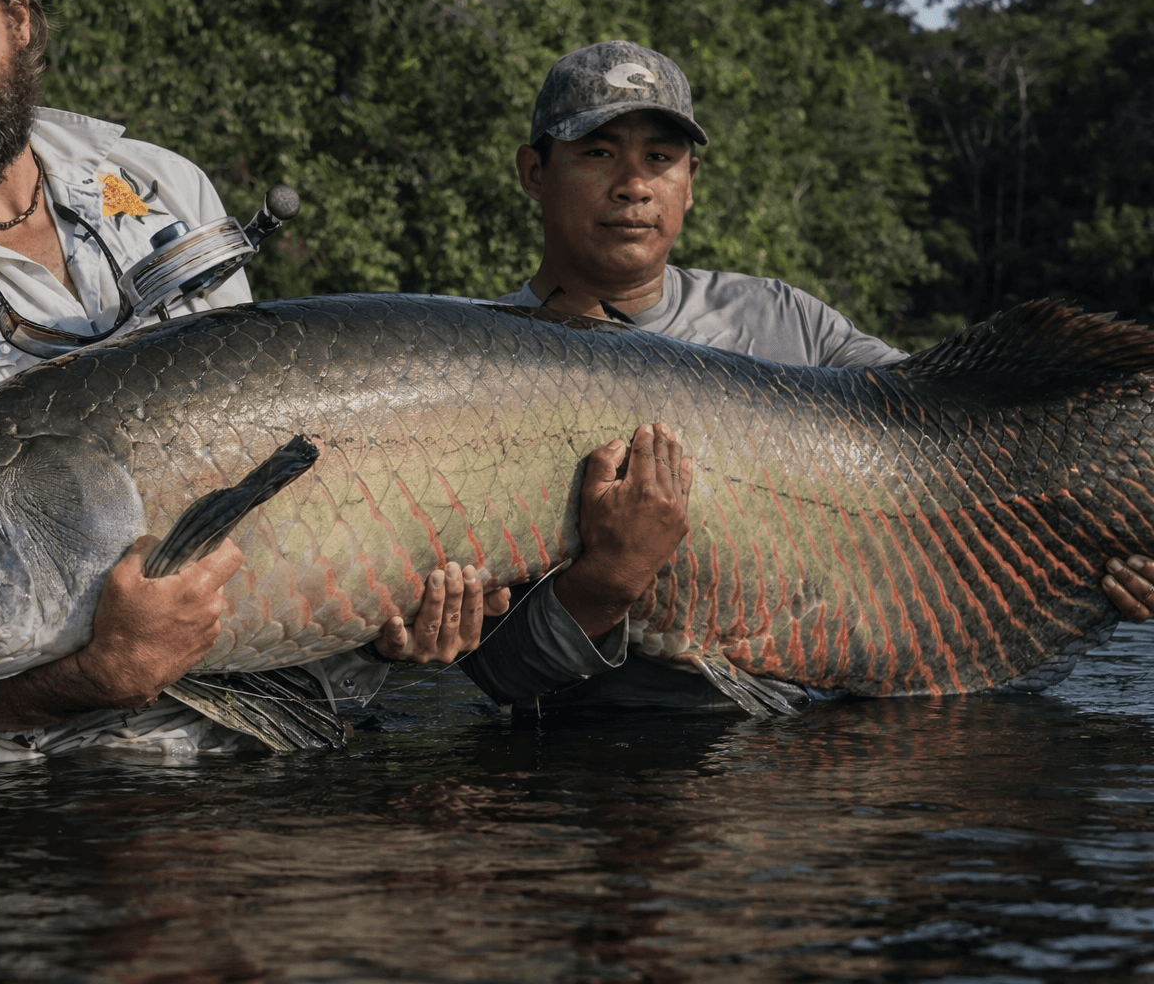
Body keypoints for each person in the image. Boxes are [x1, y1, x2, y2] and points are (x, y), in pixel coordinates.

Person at [0, 0, 497, 765]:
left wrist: (377, 610)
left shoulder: (162, 183)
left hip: (294, 744)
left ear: (19, 18)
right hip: (57, 791)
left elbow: (273, 495)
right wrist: (106, 672)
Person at [454, 40, 1154, 713]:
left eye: (660, 158)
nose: (633, 185)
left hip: (831, 732)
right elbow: (506, 678)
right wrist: (612, 578)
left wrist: (1105, 544)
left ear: (690, 184)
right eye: (598, 153)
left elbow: (951, 431)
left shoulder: (785, 318)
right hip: (600, 751)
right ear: (534, 173)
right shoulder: (461, 378)